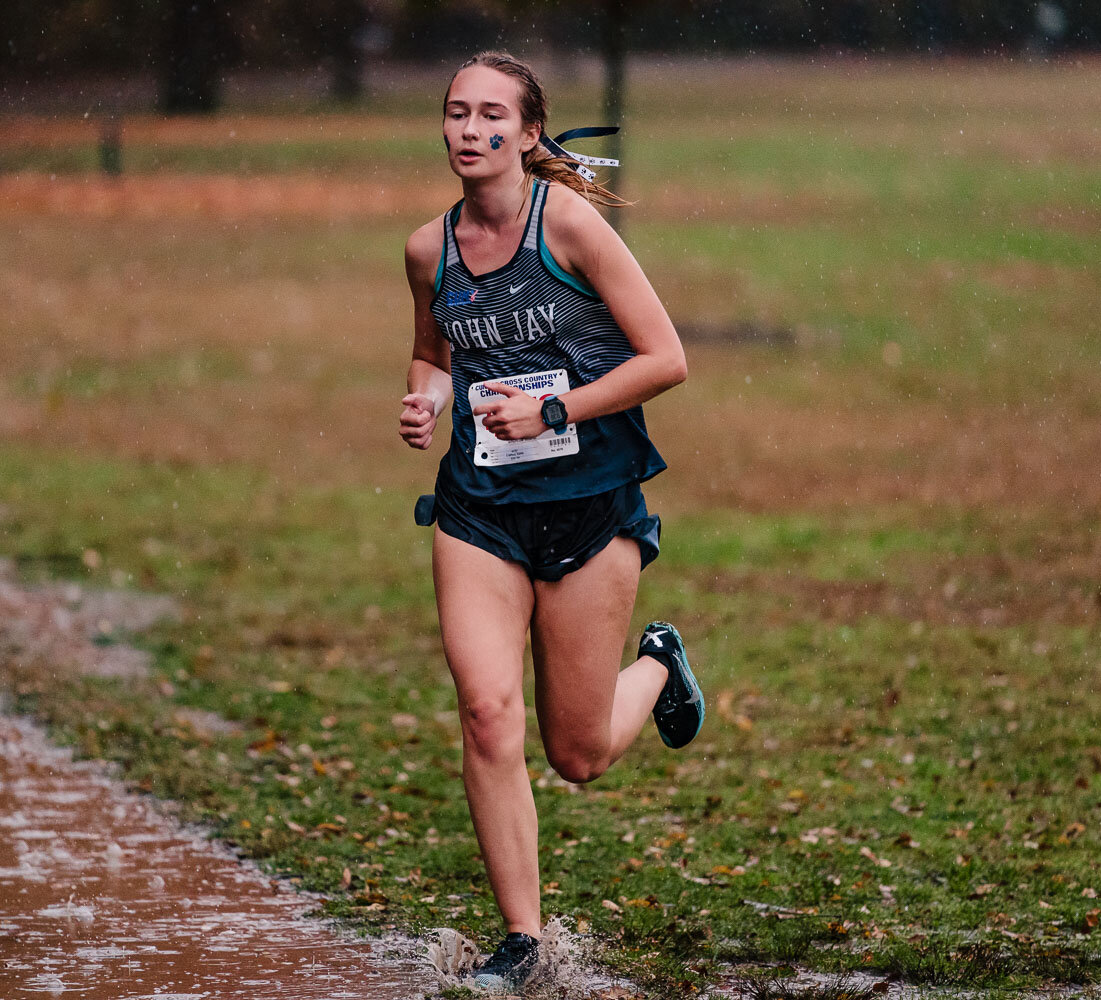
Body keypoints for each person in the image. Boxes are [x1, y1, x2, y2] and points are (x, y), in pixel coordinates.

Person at [398, 51, 706, 993]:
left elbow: (666, 358)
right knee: (488, 713)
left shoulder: (567, 225)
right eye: (456, 112)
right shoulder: (427, 249)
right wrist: (428, 401)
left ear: (528, 134)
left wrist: (558, 411)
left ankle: (659, 661)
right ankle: (523, 942)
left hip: (589, 509)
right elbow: (431, 352)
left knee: (575, 754)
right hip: (479, 510)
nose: (469, 128)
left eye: (491, 113)